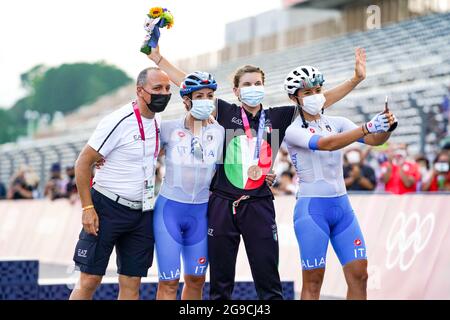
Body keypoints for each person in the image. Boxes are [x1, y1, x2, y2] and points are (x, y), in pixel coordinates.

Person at [148, 44, 367, 300]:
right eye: (247, 84)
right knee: (220, 285)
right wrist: (158, 58)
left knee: (269, 283)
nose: (253, 88)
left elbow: (318, 101)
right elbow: (191, 85)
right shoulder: (225, 112)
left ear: (264, 86)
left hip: (259, 204)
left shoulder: (280, 117)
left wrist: (355, 80)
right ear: (236, 91)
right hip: (222, 204)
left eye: (257, 83)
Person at [282, 65, 397, 300]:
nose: (315, 95)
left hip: (342, 207)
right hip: (312, 210)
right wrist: (367, 126)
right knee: (313, 282)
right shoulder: (292, 130)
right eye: (307, 92)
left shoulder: (338, 121)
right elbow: (327, 144)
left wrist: (386, 128)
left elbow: (375, 140)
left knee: (360, 275)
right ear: (294, 98)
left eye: (318, 89)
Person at [69, 67, 171, 300]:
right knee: (90, 279)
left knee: (131, 283)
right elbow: (82, 164)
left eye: (167, 89)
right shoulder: (118, 120)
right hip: (106, 207)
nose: (163, 94)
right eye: (157, 88)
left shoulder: (158, 121)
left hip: (142, 211)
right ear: (139, 90)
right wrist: (87, 208)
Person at [153, 71, 224, 300]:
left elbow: (235, 168)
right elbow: (141, 153)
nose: (205, 100)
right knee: (169, 282)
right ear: (186, 100)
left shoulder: (221, 132)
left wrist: (265, 173)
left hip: (202, 212)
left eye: (209, 95)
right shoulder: (168, 128)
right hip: (170, 211)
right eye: (199, 95)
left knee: (196, 280)